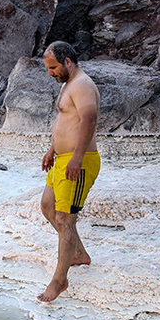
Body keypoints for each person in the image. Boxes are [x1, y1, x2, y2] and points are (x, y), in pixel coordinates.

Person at [38, 41, 101, 302]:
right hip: (63, 159)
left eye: (53, 67)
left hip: (79, 160)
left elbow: (89, 118)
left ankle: (59, 280)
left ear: (67, 62)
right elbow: (67, 121)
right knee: (47, 206)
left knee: (65, 219)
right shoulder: (68, 84)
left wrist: (76, 157)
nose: (51, 72)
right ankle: (78, 254)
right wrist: (53, 149)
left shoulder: (83, 84)